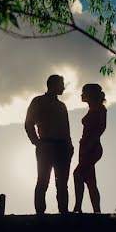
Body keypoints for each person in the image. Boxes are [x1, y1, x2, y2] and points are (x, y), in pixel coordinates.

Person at [25, 75, 73, 214]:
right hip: (46, 145)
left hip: (62, 147)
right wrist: (37, 142)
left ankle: (63, 212)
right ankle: (40, 213)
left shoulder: (62, 106)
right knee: (43, 181)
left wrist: (69, 146)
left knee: (62, 183)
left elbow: (66, 128)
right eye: (61, 84)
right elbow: (29, 124)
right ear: (52, 85)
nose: (63, 87)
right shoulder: (39, 101)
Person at [73, 83, 106, 214]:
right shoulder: (92, 108)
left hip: (92, 147)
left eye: (84, 92)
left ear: (90, 94)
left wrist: (90, 145)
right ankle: (97, 211)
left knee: (78, 174)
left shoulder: (99, 108)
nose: (81, 95)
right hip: (85, 146)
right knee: (90, 181)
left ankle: (78, 207)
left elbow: (101, 128)